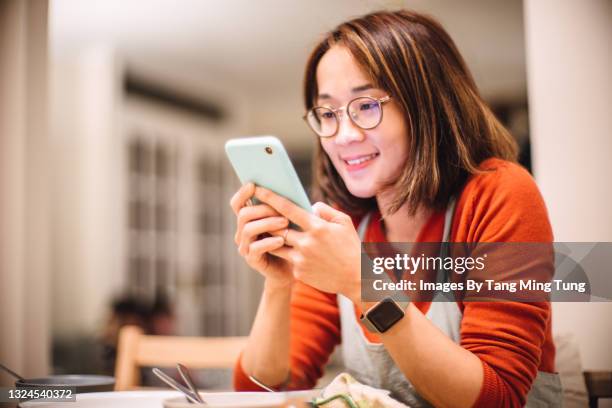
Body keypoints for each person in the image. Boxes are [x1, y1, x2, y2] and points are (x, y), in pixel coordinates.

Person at [230, 10, 561, 407]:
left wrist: (362, 283)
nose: (344, 136)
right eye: (328, 113)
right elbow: (263, 393)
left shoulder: (501, 193)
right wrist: (279, 284)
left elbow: (498, 398)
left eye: (366, 106)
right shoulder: (347, 223)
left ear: (427, 106)